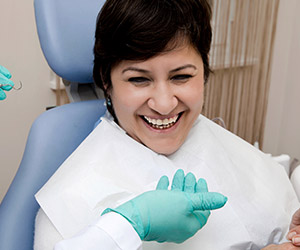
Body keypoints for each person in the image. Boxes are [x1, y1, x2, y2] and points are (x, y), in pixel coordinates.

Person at [33, 0, 300, 249]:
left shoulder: (240, 155)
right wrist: (130, 224)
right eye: (139, 79)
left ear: (204, 73)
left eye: (181, 76)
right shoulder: (66, 207)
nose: (164, 105)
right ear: (106, 79)